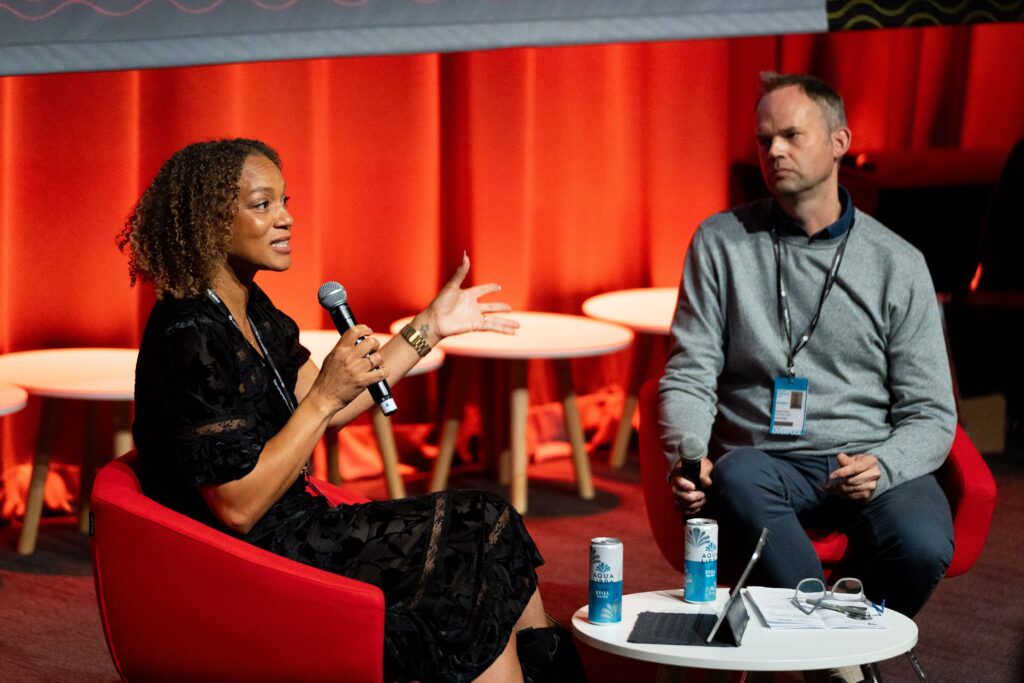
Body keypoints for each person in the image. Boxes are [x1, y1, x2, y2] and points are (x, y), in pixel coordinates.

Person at [118, 138, 586, 683]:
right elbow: (238, 507)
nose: (287, 219)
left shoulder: (250, 307)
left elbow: (337, 403)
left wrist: (428, 327)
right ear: (210, 221)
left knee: (487, 523)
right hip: (252, 558)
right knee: (472, 538)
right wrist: (320, 399)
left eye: (285, 202)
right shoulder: (187, 335)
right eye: (263, 205)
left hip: (299, 525)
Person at [658, 73, 956, 624]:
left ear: (839, 142)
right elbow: (689, 371)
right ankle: (834, 660)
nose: (773, 151)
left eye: (791, 136)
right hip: (764, 463)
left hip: (864, 456)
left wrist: (884, 464)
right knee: (739, 476)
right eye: (764, 139)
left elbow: (933, 412)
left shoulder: (898, 262)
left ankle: (826, 646)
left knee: (922, 544)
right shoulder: (720, 242)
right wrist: (690, 452)